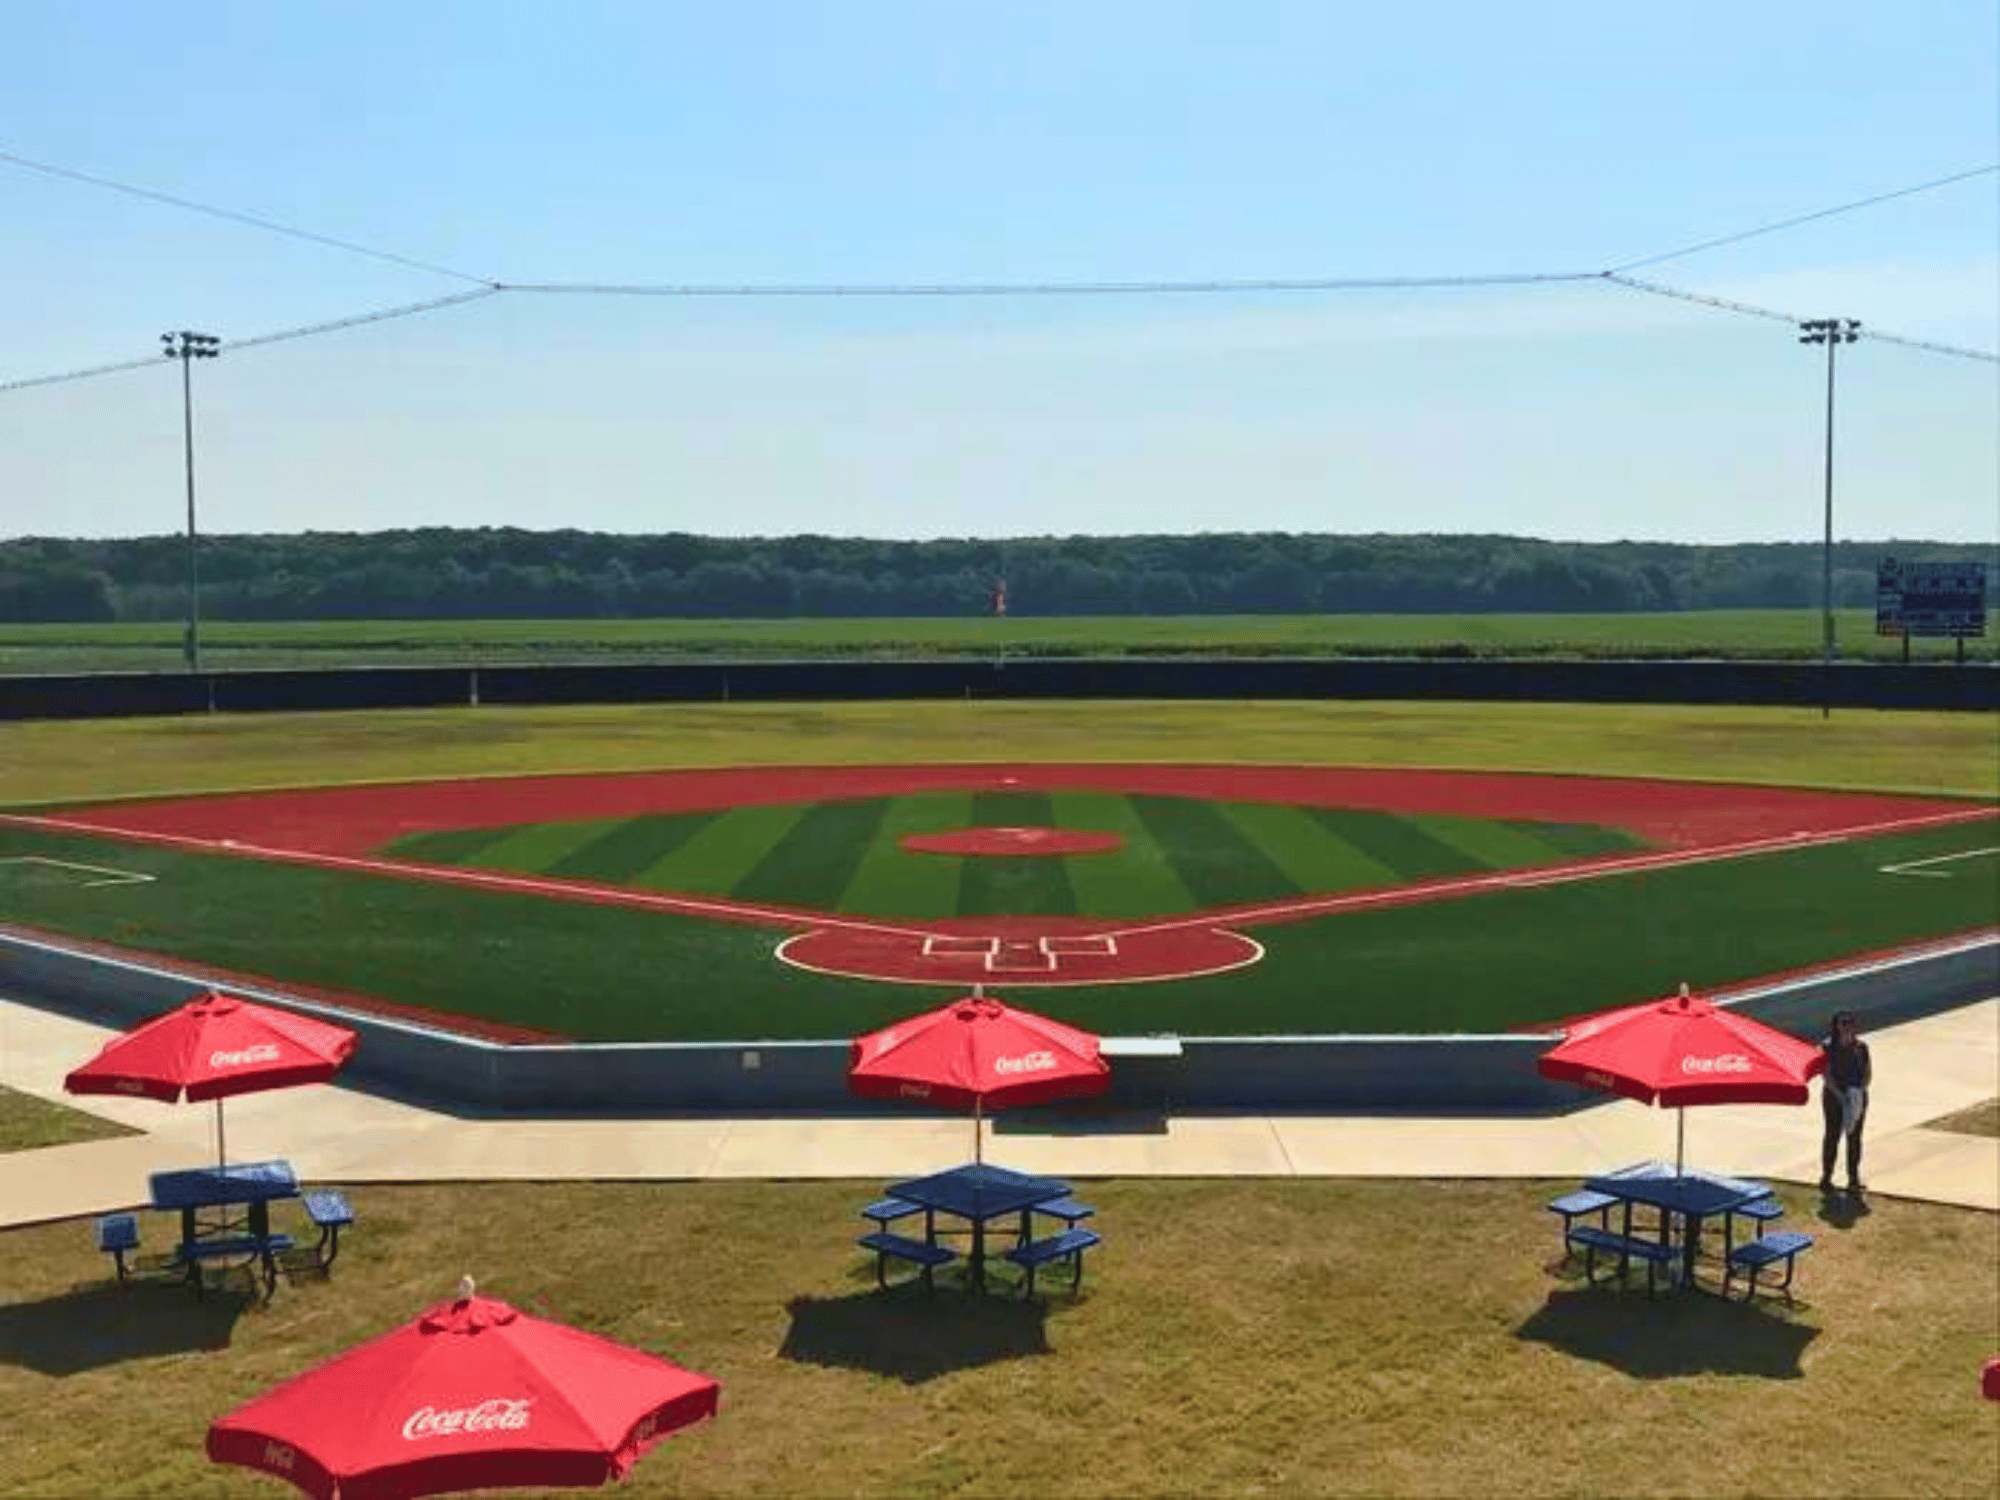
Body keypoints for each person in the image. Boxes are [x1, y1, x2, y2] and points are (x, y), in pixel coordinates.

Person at [1819, 1011, 1872, 1193]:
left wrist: (1858, 1092)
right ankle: (1826, 1177)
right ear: (1836, 1026)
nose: (1847, 1026)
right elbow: (1826, 1074)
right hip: (1834, 1098)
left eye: (1850, 1022)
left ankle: (1853, 1178)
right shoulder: (1828, 1047)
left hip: (1856, 1096)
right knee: (1832, 1136)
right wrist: (1841, 1096)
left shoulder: (1861, 1047)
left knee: (1855, 1138)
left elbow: (1867, 1073)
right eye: (1843, 1023)